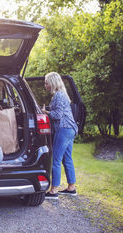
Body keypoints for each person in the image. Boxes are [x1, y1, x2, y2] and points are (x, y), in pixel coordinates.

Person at [41, 72, 78, 200]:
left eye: (46, 82)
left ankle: (53, 191)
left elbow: (57, 115)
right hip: (70, 129)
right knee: (67, 158)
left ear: (52, 83)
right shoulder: (62, 95)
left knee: (56, 159)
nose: (45, 85)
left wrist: (45, 112)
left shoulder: (59, 96)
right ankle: (71, 188)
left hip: (64, 129)